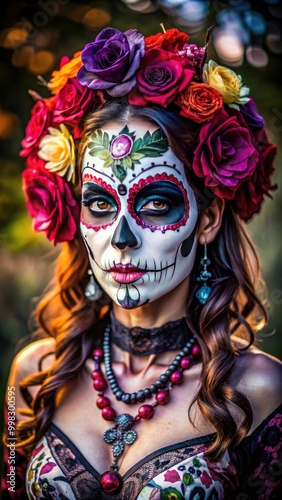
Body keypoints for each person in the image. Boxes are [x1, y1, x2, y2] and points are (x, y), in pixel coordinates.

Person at [2, 26, 282, 500]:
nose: (122, 237)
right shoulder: (32, 375)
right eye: (100, 204)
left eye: (156, 204)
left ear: (208, 218)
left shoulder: (259, 389)